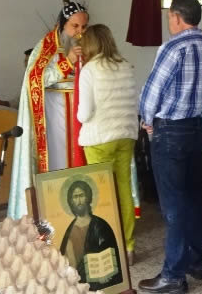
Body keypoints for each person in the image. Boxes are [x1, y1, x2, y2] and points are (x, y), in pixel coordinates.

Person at [138, 0, 202, 294]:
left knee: (174, 205)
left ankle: (173, 275)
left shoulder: (172, 47)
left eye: (169, 16)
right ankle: (198, 262)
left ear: (176, 17)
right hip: (199, 131)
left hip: (171, 132)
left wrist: (146, 119)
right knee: (196, 197)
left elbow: (152, 91)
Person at [8, 0, 89, 219]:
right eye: (75, 26)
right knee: (57, 164)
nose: (79, 32)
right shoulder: (46, 46)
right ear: (62, 25)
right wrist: (67, 62)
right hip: (53, 117)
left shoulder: (89, 45)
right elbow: (35, 79)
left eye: (84, 27)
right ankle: (55, 214)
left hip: (81, 115)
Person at [76, 24, 139, 265]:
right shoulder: (126, 66)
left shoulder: (90, 70)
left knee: (100, 194)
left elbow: (84, 114)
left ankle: (106, 245)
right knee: (123, 188)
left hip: (99, 138)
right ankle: (128, 247)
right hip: (126, 135)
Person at [59, 180, 123, 291]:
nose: (79, 200)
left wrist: (106, 271)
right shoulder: (69, 230)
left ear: (88, 197)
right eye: (75, 197)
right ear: (71, 201)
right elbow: (67, 261)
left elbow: (112, 253)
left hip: (103, 278)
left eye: (81, 195)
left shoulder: (100, 224)